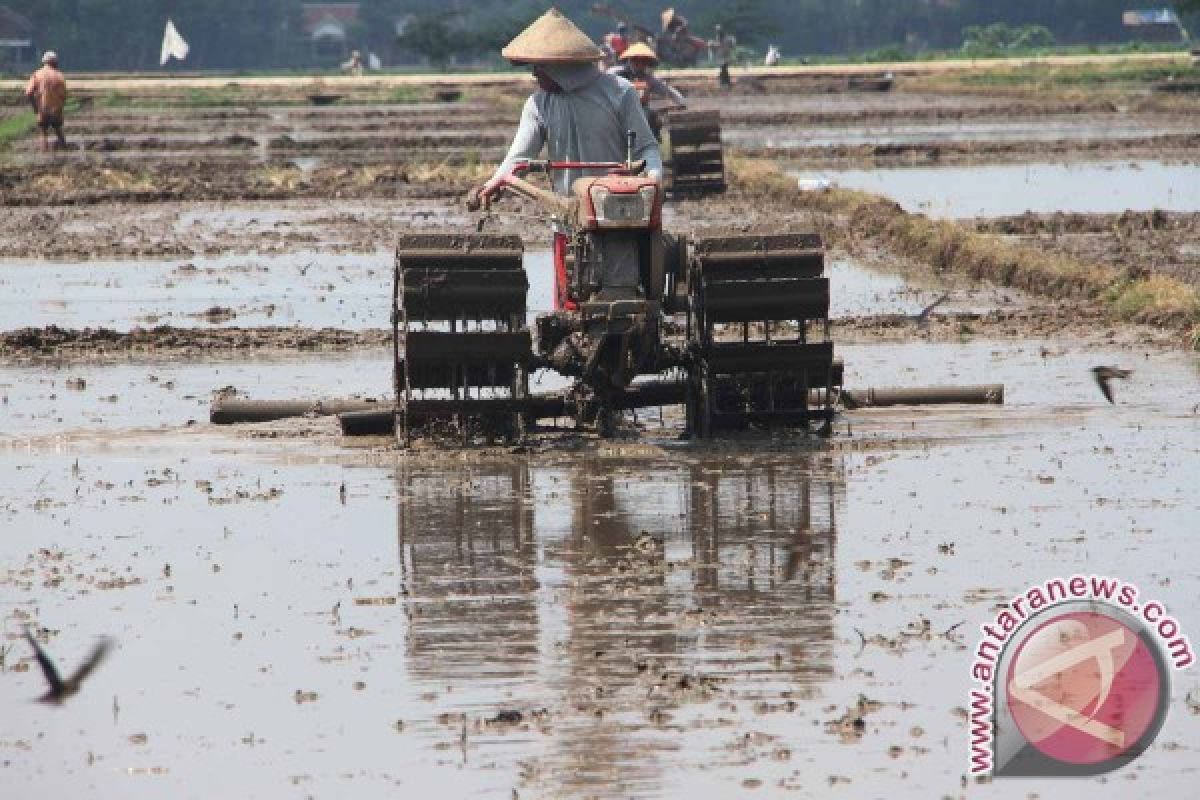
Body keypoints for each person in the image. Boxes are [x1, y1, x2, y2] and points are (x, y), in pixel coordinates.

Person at [478, 8, 661, 205]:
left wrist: (654, 179)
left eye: (539, 67)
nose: (534, 74)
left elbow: (645, 147)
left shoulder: (620, 92)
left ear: (560, 67)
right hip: (565, 209)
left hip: (616, 206)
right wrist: (493, 184)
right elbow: (519, 158)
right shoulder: (538, 104)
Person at [608, 41, 685, 115]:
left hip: (639, 112)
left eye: (643, 61)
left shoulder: (647, 79)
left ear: (647, 63)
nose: (640, 64)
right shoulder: (616, 73)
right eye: (636, 60)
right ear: (630, 60)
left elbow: (667, 90)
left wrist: (681, 101)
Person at [24, 51, 68, 152]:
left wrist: (35, 107)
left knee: (43, 133)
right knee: (59, 131)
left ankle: (44, 154)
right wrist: (60, 107)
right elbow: (63, 95)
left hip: (42, 109)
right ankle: (66, 152)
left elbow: (28, 92)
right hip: (56, 109)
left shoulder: (37, 74)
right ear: (55, 62)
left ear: (44, 62)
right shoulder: (59, 76)